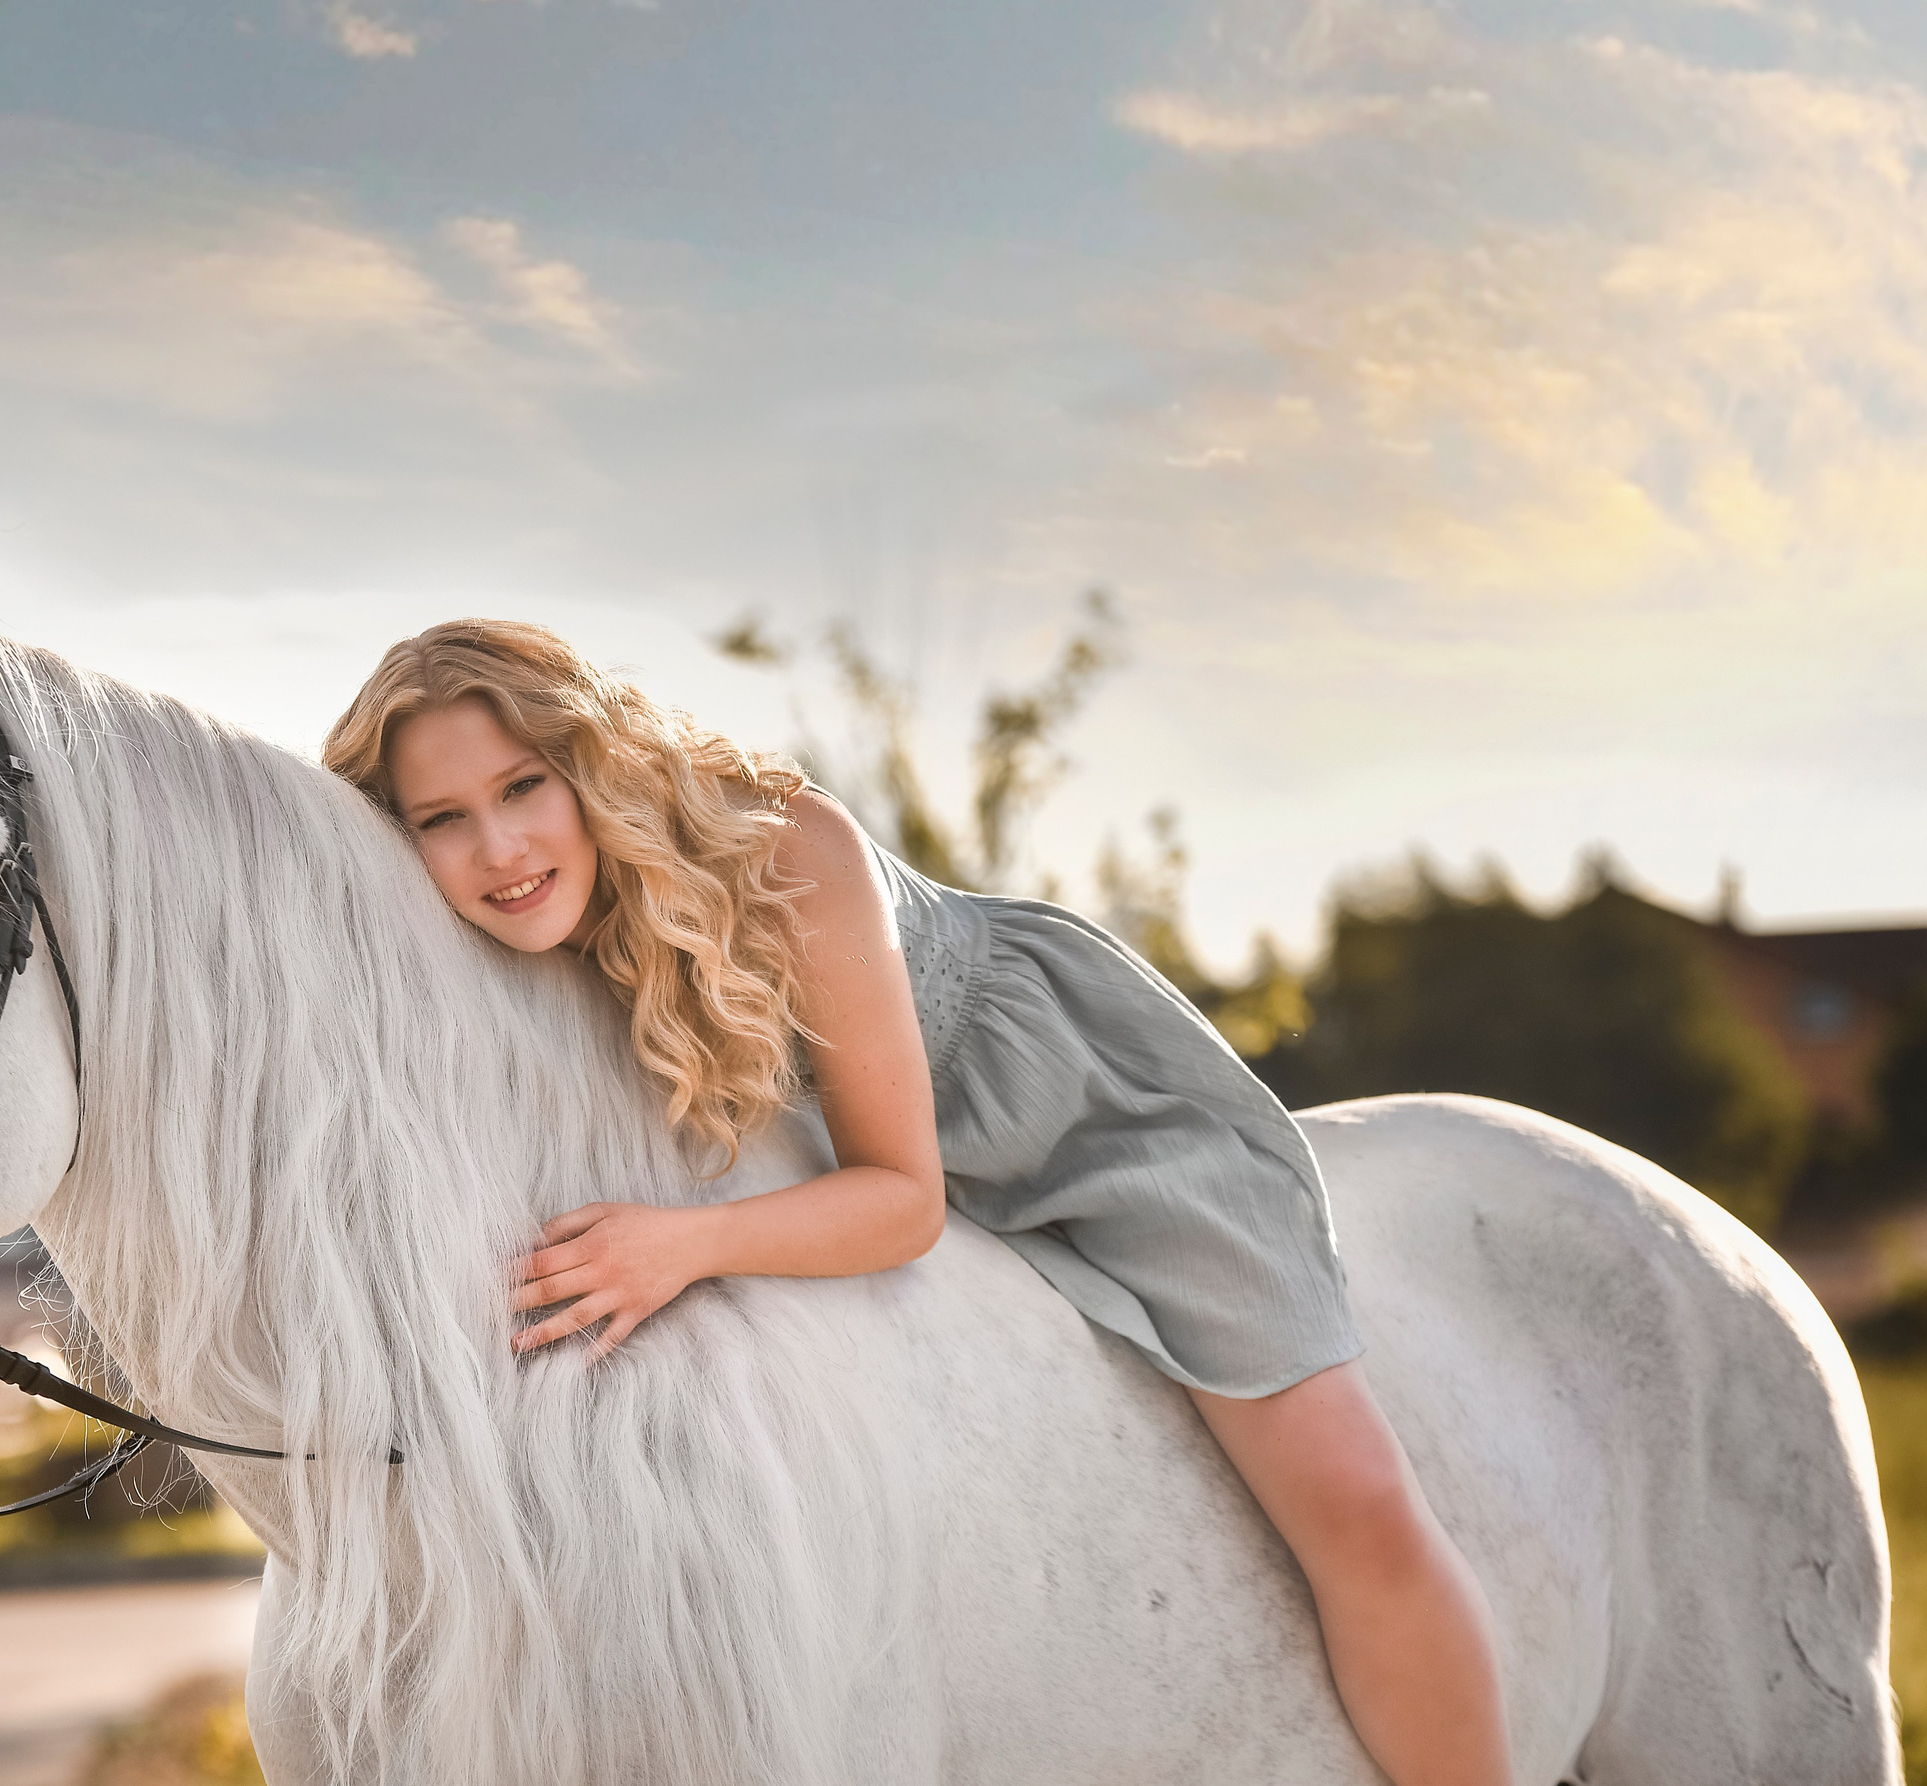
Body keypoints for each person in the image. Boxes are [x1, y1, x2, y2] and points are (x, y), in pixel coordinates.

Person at [322, 619, 1511, 1786]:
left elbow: (901, 1202)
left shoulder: (779, 844)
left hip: (1090, 1119)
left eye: (523, 786)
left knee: (1352, 1504)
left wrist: (678, 1246)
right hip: (856, 1160)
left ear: (586, 764)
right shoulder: (514, 924)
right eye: (442, 818)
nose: (496, 847)